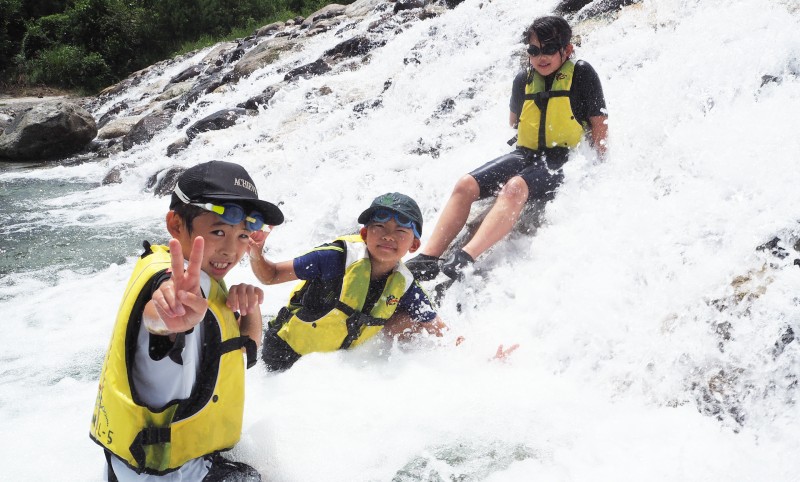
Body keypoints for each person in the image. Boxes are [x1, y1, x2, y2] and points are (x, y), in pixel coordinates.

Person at [90, 160, 284, 481]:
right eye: (218, 231)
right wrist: (168, 319)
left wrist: (249, 308)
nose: (230, 250)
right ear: (176, 225)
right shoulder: (175, 284)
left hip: (129, 465)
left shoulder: (186, 274)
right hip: (172, 472)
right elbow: (157, 317)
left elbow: (244, 355)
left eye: (243, 236)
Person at [406, 15, 608, 281]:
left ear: (567, 50)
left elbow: (599, 125)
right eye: (534, 50)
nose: (541, 57)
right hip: (526, 153)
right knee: (466, 184)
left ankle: (466, 256)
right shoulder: (522, 80)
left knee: (515, 187)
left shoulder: (581, 73)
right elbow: (514, 122)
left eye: (549, 49)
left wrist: (600, 167)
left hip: (566, 157)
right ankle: (428, 257)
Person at [249, 192, 448, 371]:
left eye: (400, 231)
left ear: (414, 245)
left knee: (410, 322)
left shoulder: (405, 285)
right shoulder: (334, 258)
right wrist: (256, 253)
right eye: (379, 227)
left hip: (337, 367)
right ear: (364, 234)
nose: (388, 236)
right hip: (285, 355)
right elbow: (271, 275)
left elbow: (438, 328)